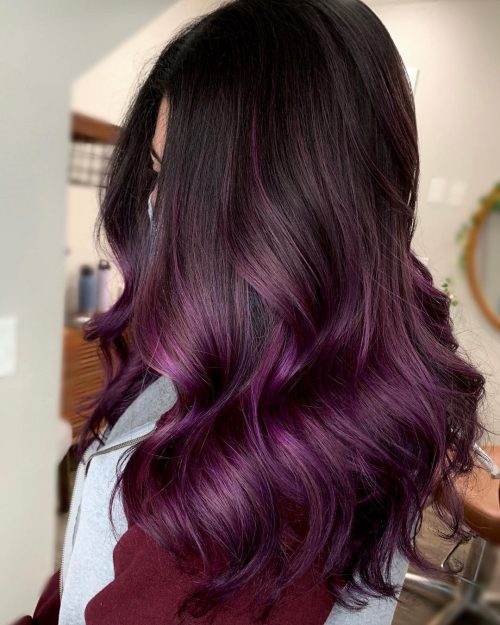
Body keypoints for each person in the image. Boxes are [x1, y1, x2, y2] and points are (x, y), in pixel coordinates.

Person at [15, 0, 486, 623]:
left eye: (181, 182)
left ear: (281, 215)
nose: (156, 206)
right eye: (156, 172)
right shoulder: (308, 377)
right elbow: (87, 575)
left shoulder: (250, 484)